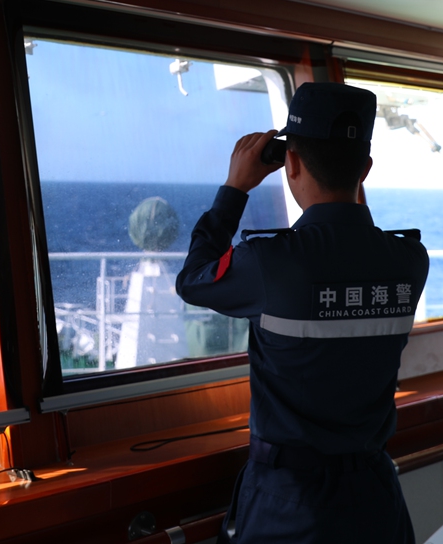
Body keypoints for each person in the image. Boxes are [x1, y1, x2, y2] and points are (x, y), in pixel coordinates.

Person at [176, 82, 428, 543]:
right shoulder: (409, 261)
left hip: (290, 502)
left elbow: (193, 280)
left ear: (289, 163)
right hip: (375, 498)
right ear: (365, 170)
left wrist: (235, 187)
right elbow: (353, 251)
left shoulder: (270, 263)